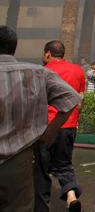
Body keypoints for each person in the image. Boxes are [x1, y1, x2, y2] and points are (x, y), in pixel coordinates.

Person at [0, 26, 82, 212]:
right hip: (18, 158)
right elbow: (72, 99)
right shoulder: (36, 73)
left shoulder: (44, 69)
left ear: (47, 54)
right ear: (14, 47)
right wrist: (45, 135)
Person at [33, 40, 85, 212]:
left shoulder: (41, 72)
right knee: (64, 165)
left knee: (41, 170)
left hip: (45, 128)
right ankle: (71, 196)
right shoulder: (77, 70)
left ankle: (42, 207)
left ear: (47, 54)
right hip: (68, 126)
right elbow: (79, 100)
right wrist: (74, 120)